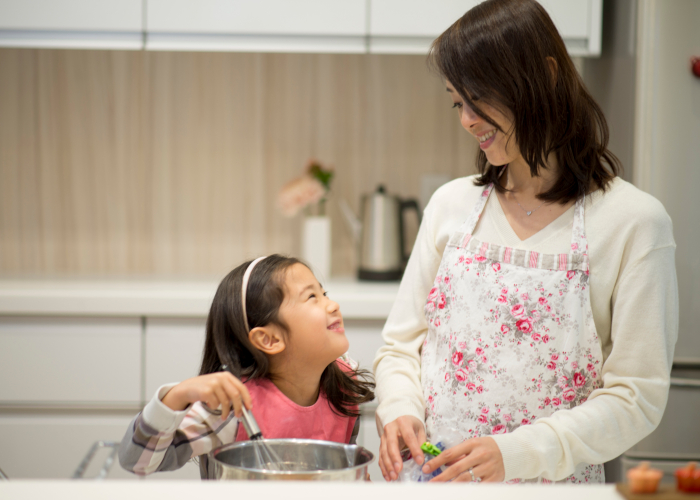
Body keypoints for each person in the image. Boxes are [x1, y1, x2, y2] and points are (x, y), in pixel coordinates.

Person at [373, 0, 678, 485]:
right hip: (433, 484)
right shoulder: (451, 206)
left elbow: (635, 398)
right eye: (457, 101)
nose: (467, 120)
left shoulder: (634, 223)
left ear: (547, 76)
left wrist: (518, 453)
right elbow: (399, 347)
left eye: (480, 98)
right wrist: (398, 407)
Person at [119, 254, 375, 478]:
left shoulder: (344, 387)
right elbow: (137, 461)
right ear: (270, 339)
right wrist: (176, 396)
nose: (333, 304)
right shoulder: (232, 407)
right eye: (312, 297)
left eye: (324, 293)